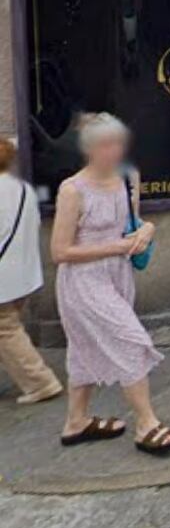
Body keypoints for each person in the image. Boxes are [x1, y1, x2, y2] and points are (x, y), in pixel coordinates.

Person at [53, 114, 170, 454]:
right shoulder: (72, 190)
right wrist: (117, 247)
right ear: (89, 148)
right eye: (105, 144)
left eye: (118, 142)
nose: (114, 150)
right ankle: (147, 425)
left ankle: (76, 423)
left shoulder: (128, 176)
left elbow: (132, 222)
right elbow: (59, 252)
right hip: (83, 281)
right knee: (131, 341)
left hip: (118, 275)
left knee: (84, 349)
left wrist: (148, 229)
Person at [0, 138, 62, 406]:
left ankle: (40, 382)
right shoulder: (23, 188)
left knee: (6, 329)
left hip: (3, 278)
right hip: (23, 274)